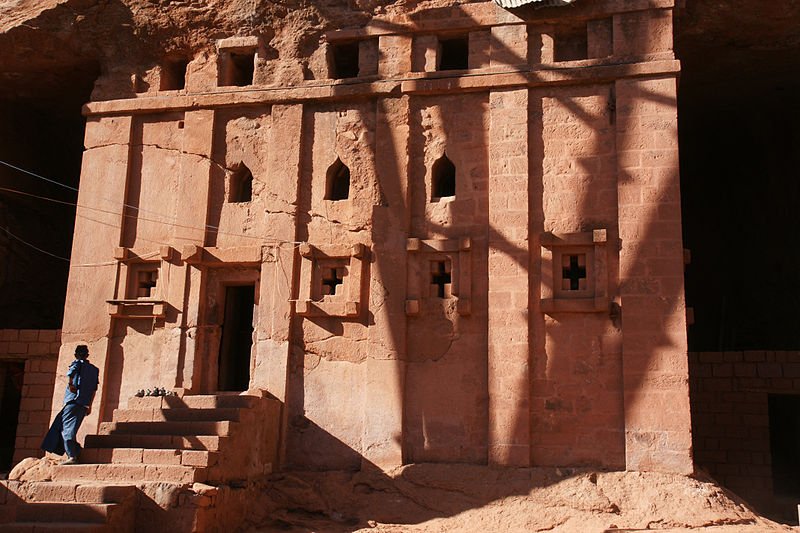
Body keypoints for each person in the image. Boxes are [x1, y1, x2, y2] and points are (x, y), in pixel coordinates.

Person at [41, 344, 100, 465]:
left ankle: (72, 455)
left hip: (73, 401)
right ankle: (75, 450)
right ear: (87, 355)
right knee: (64, 426)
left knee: (66, 429)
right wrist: (90, 405)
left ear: (76, 354)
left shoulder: (77, 363)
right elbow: (94, 390)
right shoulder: (94, 370)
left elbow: (71, 375)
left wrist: (71, 385)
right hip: (83, 404)